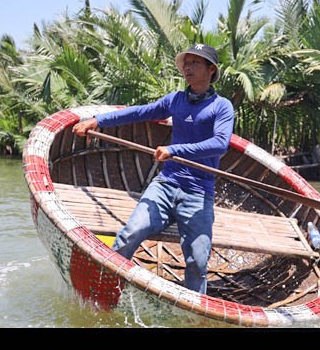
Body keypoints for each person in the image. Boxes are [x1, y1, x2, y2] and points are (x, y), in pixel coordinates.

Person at [72, 44, 233, 295]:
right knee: (130, 234)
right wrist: (98, 121)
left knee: (198, 263)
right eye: (186, 63)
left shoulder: (222, 106)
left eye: (195, 63)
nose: (188, 68)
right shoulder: (176, 100)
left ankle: (190, 312)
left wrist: (175, 150)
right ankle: (105, 290)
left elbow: (220, 144)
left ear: (211, 70)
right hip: (166, 184)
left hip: (199, 193)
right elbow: (140, 112)